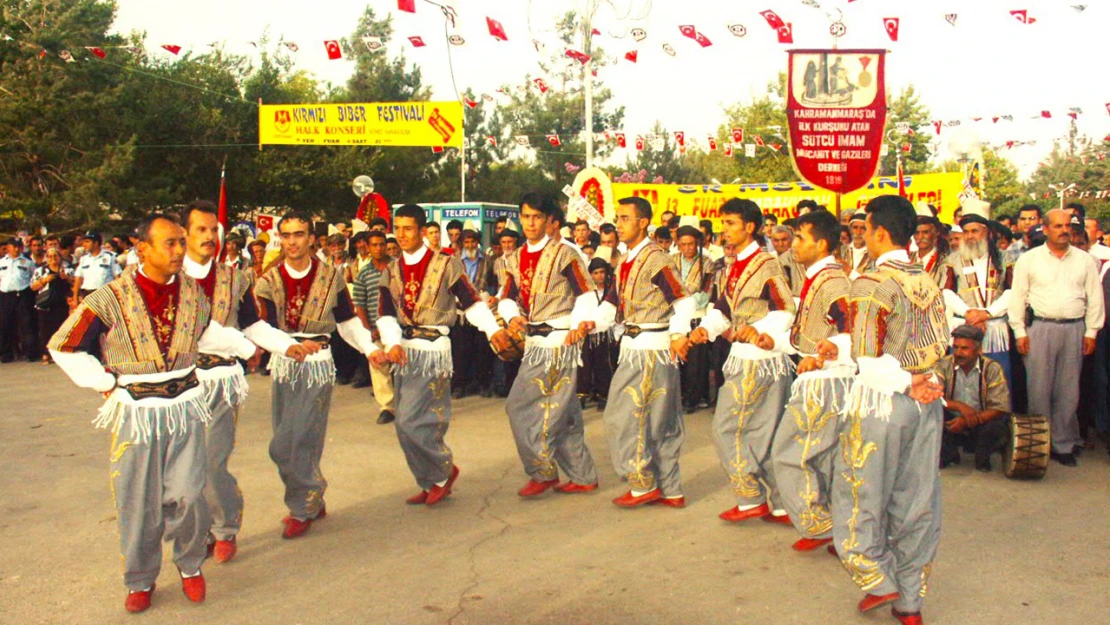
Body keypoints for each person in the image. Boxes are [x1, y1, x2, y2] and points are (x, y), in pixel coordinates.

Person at [47, 213, 247, 613]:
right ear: (143, 249)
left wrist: (243, 346)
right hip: (137, 412)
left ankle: (191, 566)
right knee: (138, 500)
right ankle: (140, 578)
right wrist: (104, 382)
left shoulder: (192, 292)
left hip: (186, 406)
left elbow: (203, 332)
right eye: (170, 243)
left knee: (190, 494)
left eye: (179, 242)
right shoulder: (110, 296)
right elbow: (63, 345)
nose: (178, 250)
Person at [828, 195, 948, 625]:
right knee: (916, 500)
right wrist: (926, 379)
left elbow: (867, 356)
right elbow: (941, 340)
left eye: (865, 229)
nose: (862, 235)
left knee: (859, 494)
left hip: (885, 400)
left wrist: (905, 381)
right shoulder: (928, 277)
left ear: (879, 232)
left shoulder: (872, 281)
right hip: (927, 401)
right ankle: (910, 601)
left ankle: (879, 579)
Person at [180, 201, 307, 561]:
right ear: (185, 234)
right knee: (182, 468)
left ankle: (224, 527)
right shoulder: (172, 278)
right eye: (200, 230)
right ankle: (198, 529)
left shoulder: (233, 277)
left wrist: (286, 345)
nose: (209, 237)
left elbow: (252, 324)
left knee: (211, 461)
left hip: (219, 380)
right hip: (176, 384)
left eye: (213, 230)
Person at [371, 204, 507, 506]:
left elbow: (471, 302)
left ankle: (443, 472)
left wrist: (492, 329)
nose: (402, 235)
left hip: (433, 350)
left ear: (422, 231)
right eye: (399, 228)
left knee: (415, 421)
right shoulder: (391, 270)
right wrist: (392, 342)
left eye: (409, 228)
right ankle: (430, 478)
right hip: (405, 352)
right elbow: (384, 314)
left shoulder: (447, 264)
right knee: (405, 423)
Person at [253, 211, 378, 538]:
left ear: (312, 238)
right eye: (287, 235)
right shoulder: (268, 280)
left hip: (318, 365)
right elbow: (258, 325)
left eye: (299, 234)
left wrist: (371, 349)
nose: (292, 241)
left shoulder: (331, 277)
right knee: (286, 440)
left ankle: (302, 506)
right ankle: (311, 494)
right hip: (283, 364)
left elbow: (348, 322)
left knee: (298, 440)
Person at [497, 193, 612, 497]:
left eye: (536, 217)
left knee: (520, 407)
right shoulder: (514, 257)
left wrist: (577, 325)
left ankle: (542, 470)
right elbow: (506, 296)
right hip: (533, 340)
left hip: (559, 340)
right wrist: (511, 317)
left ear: (550, 221)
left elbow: (586, 294)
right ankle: (583, 475)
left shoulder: (565, 253)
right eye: (525, 217)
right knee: (566, 413)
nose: (530, 223)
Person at [689, 199, 796, 524]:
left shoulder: (767, 264)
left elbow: (785, 309)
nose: (725, 231)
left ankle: (751, 497)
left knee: (728, 428)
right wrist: (705, 330)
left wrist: (756, 329)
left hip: (760, 360)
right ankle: (780, 503)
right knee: (762, 431)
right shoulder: (735, 264)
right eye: (723, 224)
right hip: (747, 358)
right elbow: (724, 306)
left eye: (731, 224)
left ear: (749, 227)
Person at [602, 196, 695, 508]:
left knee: (625, 417)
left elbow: (683, 301)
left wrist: (679, 334)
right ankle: (671, 488)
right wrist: (588, 324)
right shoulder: (625, 260)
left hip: (650, 348)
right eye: (618, 217)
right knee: (658, 420)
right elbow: (612, 304)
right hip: (637, 346)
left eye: (625, 218)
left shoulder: (656, 259)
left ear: (643, 222)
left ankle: (643, 484)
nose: (619, 223)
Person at [768, 209, 852, 552]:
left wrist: (824, 355)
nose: (794, 245)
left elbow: (854, 330)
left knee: (789, 454)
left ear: (820, 243)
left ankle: (823, 525)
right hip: (821, 376)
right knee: (824, 457)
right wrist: (773, 341)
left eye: (800, 238)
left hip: (826, 381)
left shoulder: (832, 281)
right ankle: (835, 527)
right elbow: (812, 332)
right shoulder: (819, 277)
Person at [1009, 209, 1104, 467]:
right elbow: (1017, 296)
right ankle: (1039, 443)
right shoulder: (1029, 260)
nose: (1064, 231)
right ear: (1047, 229)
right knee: (1038, 389)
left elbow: (1095, 297)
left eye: (1067, 226)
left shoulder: (1085, 260)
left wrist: (1091, 331)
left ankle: (1063, 444)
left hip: (1074, 329)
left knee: (1068, 389)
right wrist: (1019, 331)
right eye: (1058, 226)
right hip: (1040, 328)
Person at [942, 200, 1015, 389]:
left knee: (997, 380)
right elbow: (947, 292)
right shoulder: (953, 259)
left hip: (994, 328)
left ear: (987, 232)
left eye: (975, 231)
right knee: (962, 383)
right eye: (966, 231)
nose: (970, 236)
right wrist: (970, 314)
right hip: (964, 326)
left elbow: (1012, 291)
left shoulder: (1004, 258)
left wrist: (987, 313)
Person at [936, 324, 1011, 472]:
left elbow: (999, 407)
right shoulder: (943, 365)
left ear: (979, 350)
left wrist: (968, 420)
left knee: (997, 427)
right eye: (956, 347)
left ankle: (982, 457)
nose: (958, 353)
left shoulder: (992, 368)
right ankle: (949, 454)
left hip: (980, 421)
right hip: (951, 421)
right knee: (934, 414)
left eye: (964, 348)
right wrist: (959, 406)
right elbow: (934, 397)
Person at [351, 230, 397, 424]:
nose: (379, 248)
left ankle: (411, 406)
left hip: (399, 325)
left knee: (404, 365)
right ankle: (388, 407)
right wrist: (369, 328)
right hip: (375, 326)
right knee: (379, 367)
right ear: (368, 248)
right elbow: (360, 304)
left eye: (381, 244)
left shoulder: (397, 267)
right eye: (374, 245)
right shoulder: (364, 274)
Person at [452, 230, 497, 398]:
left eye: (473, 242)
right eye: (466, 242)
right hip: (460, 311)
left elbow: (492, 283)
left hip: (481, 309)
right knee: (460, 350)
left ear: (478, 242)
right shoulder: (455, 261)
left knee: (482, 349)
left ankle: (483, 384)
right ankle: (459, 386)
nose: (470, 246)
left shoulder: (487, 260)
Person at [674, 225, 714, 412]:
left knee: (697, 361)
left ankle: (695, 397)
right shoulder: (672, 260)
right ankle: (682, 395)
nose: (688, 248)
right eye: (683, 244)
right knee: (679, 357)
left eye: (691, 244)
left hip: (697, 315)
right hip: (675, 315)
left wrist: (687, 302)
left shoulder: (706, 263)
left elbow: (706, 291)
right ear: (678, 245)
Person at [578, 258, 617, 409]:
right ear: (590, 274)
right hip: (587, 332)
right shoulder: (585, 290)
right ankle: (581, 395)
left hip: (605, 332)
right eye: (596, 273)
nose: (600, 276)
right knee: (584, 365)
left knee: (603, 365)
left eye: (602, 272)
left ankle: (603, 396)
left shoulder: (611, 290)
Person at [31, 248, 73, 363]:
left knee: (63, 329)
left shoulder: (67, 270)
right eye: (50, 256)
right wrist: (44, 281)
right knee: (45, 330)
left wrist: (68, 278)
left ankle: (62, 353)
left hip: (62, 304)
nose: (53, 259)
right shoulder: (40, 271)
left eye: (55, 256)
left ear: (60, 257)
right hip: (46, 304)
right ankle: (46, 354)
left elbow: (76, 283)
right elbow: (33, 287)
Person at [0, 238, 39, 362]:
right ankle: (6, 353)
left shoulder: (28, 262)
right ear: (8, 248)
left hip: (23, 294)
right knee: (5, 324)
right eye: (13, 246)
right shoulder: (1, 262)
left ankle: (30, 353)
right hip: (5, 295)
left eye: (18, 247)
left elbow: (34, 278)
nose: (16, 249)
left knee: (26, 324)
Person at [72, 231, 122, 306]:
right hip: (87, 295)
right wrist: (75, 298)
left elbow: (117, 277)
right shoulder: (84, 259)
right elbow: (78, 279)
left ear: (96, 243)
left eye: (87, 242)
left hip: (105, 295)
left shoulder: (109, 256)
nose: (84, 244)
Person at [910, 203, 953, 288]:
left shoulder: (945, 263)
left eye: (925, 232)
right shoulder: (907, 259)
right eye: (916, 233)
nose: (920, 237)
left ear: (936, 232)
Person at [771, 225, 804, 296]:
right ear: (771, 241)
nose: (780, 244)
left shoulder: (802, 256)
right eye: (776, 240)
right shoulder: (769, 259)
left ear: (792, 239)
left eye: (784, 240)